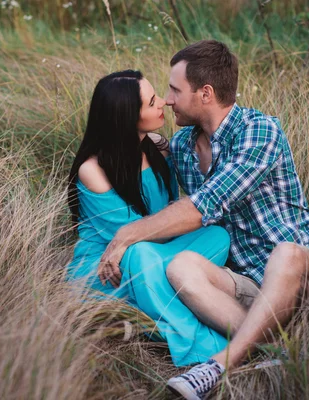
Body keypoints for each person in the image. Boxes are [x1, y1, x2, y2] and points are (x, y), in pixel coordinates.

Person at [97, 41, 309, 399]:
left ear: (206, 93)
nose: (167, 100)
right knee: (181, 267)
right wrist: (138, 136)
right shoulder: (183, 146)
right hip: (252, 286)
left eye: (174, 90)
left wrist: (125, 236)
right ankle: (277, 352)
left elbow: (203, 207)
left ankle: (216, 366)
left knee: (285, 254)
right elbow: (144, 149)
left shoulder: (258, 131)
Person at [66, 70, 232, 367]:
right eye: (152, 101)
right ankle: (206, 344)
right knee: (140, 254)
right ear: (126, 117)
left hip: (158, 251)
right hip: (111, 266)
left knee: (218, 235)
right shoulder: (93, 170)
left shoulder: (157, 146)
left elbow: (170, 210)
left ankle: (164, 296)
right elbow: (128, 235)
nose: (164, 104)